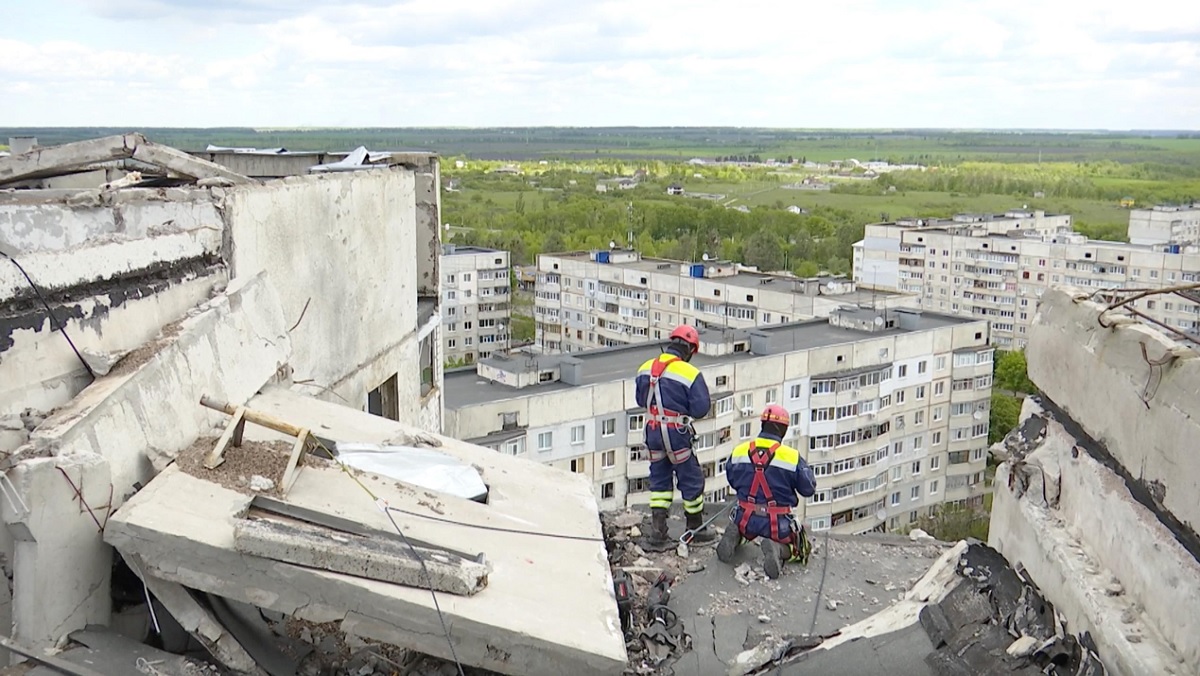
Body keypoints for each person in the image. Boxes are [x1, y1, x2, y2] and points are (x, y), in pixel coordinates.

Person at [717, 404, 817, 579]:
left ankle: (736, 537)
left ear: (762, 425)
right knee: (801, 549)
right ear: (784, 430)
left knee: (743, 529)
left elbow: (732, 480)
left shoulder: (739, 451)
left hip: (745, 519)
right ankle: (778, 548)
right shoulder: (791, 457)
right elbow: (808, 489)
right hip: (777, 524)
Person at [636, 325, 713, 545]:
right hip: (676, 433)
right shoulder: (689, 373)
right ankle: (695, 528)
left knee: (659, 479)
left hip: (652, 433)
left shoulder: (645, 368)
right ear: (689, 349)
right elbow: (700, 408)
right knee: (690, 478)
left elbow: (641, 400)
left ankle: (658, 533)